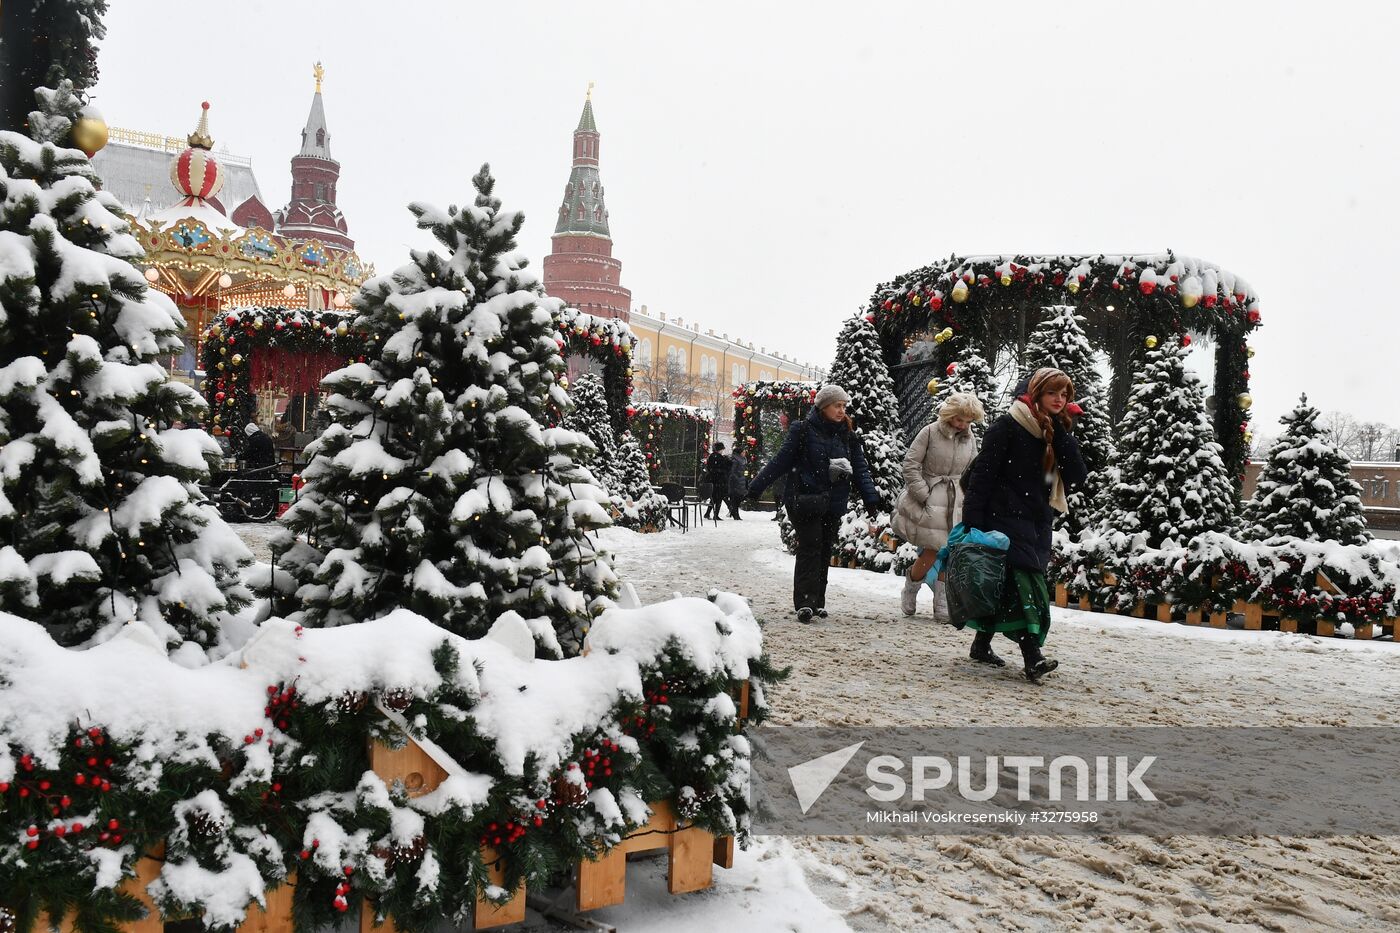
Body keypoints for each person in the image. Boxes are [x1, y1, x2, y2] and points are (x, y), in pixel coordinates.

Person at [960, 368, 1087, 681]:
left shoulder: (1052, 431)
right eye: (1052, 393)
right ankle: (1033, 657)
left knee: (1005, 586)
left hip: (1038, 519)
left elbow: (1076, 476)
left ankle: (981, 644)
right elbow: (981, 477)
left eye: (1064, 395)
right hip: (1002, 516)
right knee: (1026, 585)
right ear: (1035, 393)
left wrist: (1059, 432)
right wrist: (972, 521)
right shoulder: (1007, 426)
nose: (1059, 400)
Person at [747, 385, 885, 623]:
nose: (842, 411)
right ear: (823, 407)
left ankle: (818, 601)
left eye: (844, 406)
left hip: (833, 502)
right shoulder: (802, 430)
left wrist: (870, 499)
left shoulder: (848, 435)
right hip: (805, 499)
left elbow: (860, 468)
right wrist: (756, 488)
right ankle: (805, 602)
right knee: (810, 546)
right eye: (836, 406)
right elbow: (781, 461)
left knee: (823, 550)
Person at [892, 392, 985, 620]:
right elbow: (911, 464)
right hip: (932, 499)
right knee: (931, 552)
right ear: (950, 415)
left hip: (957, 501)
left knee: (952, 553)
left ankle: (943, 603)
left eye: (968, 421)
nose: (963, 425)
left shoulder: (968, 438)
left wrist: (971, 495)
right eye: (959, 419)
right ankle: (911, 586)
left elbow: (972, 469)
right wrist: (924, 493)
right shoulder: (930, 432)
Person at [703, 442, 733, 521]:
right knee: (719, 497)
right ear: (719, 449)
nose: (722, 451)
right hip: (719, 480)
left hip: (713, 480)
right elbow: (724, 468)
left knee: (714, 498)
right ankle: (715, 515)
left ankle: (708, 513)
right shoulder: (719, 457)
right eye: (722, 449)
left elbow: (710, 468)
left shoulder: (711, 456)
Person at [727, 449, 750, 519]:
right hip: (736, 482)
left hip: (741, 481)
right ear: (739, 453)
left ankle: (734, 512)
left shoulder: (743, 460)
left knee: (739, 498)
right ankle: (735, 514)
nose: (744, 453)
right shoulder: (736, 461)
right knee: (735, 498)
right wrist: (738, 478)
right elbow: (732, 472)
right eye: (743, 452)